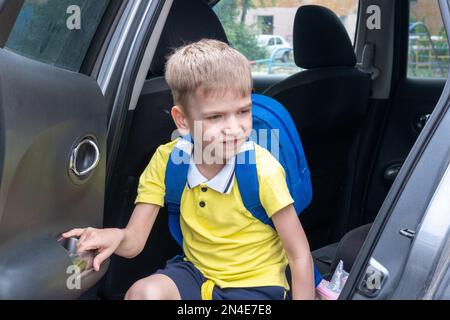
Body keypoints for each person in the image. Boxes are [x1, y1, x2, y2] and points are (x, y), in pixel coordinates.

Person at [62, 39, 315, 300]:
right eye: (215, 117)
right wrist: (115, 237)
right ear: (182, 120)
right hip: (196, 274)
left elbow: (299, 256)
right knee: (143, 294)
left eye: (243, 111)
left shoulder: (263, 170)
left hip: (256, 287)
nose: (234, 128)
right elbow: (134, 242)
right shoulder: (168, 160)